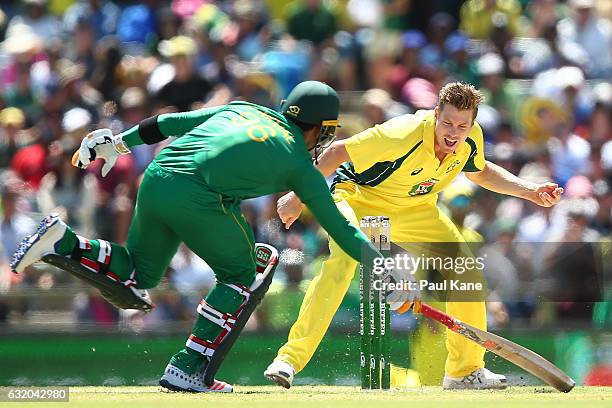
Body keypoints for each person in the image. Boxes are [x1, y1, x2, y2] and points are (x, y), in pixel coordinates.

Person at [11, 81, 390, 393]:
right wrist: (383, 267)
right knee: (246, 272)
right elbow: (341, 229)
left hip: (158, 176)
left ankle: (63, 242)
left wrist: (120, 142)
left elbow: (167, 123)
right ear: (319, 128)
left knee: (138, 275)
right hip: (197, 195)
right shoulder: (298, 163)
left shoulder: (244, 108)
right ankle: (187, 367)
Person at [265, 82, 564, 390]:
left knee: (465, 271)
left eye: (462, 126)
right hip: (357, 196)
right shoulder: (401, 133)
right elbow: (338, 151)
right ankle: (289, 359)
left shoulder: (470, 138)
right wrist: (298, 196)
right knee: (342, 263)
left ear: (472, 124)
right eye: (447, 122)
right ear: (436, 114)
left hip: (415, 208)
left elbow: (480, 171)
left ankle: (465, 371)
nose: (453, 132)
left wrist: (528, 190)